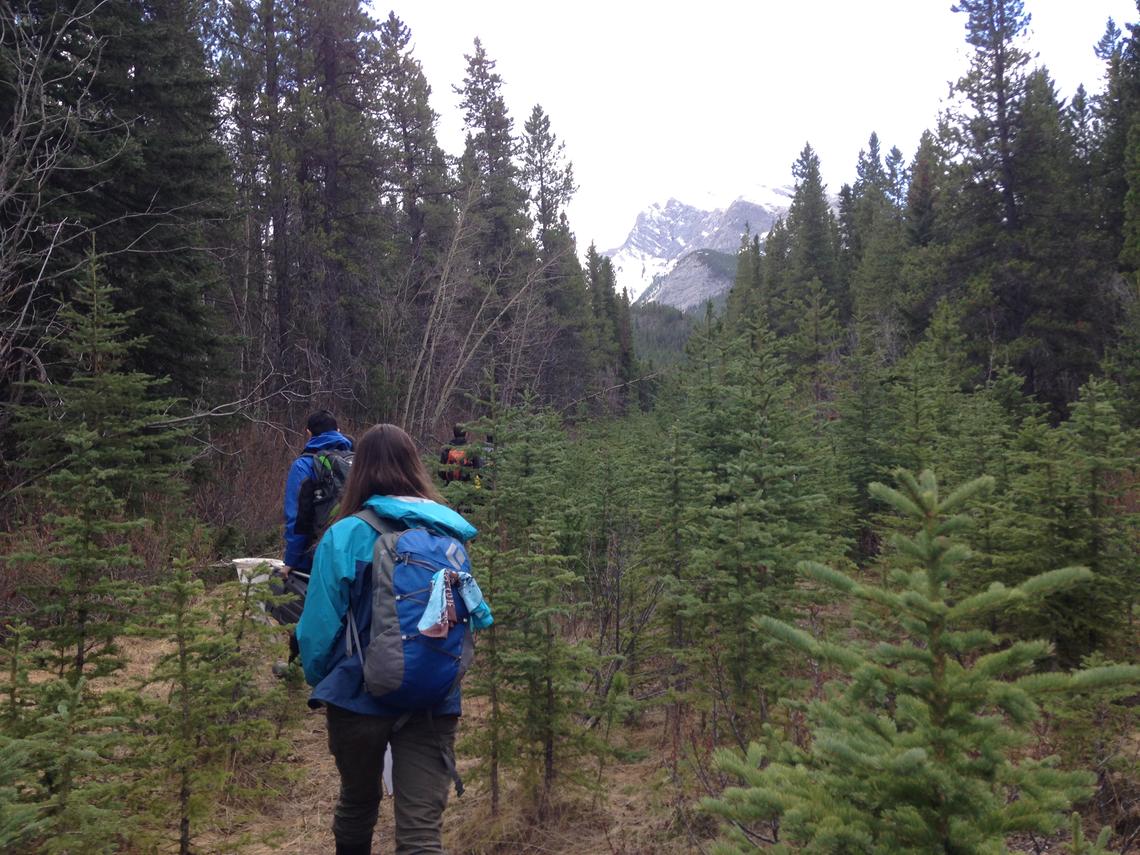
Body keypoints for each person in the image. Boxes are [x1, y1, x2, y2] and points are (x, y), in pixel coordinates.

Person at [296, 423, 477, 855]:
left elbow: (317, 630)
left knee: (358, 805)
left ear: (359, 472)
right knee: (420, 834)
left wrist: (328, 682)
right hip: (432, 699)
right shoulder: (449, 536)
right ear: (415, 467)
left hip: (357, 698)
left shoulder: (343, 535)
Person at [283, 410, 354, 574]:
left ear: (308, 433)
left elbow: (297, 518)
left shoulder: (303, 465)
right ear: (338, 431)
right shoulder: (357, 461)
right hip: (356, 553)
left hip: (317, 555)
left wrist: (291, 560)